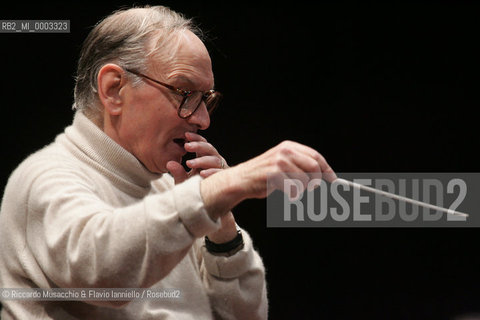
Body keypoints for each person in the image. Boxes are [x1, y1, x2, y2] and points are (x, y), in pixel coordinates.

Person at [0, 5, 335, 320]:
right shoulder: (43, 178)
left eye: (205, 100)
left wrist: (221, 227)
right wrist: (224, 187)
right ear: (114, 89)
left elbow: (244, 315)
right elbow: (106, 272)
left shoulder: (171, 186)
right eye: (184, 92)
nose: (203, 119)